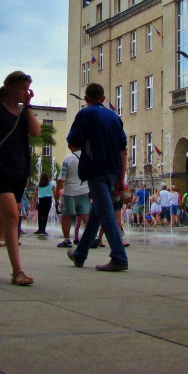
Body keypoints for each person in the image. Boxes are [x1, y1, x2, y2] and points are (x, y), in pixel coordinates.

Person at [0, 71, 40, 286]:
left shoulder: (23, 113)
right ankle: (17, 272)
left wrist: (28, 106)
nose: (26, 92)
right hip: (0, 172)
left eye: (28, 89)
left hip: (19, 173)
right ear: (10, 88)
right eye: (23, 88)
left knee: (2, 222)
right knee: (12, 217)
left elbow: (36, 132)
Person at [65, 82, 128, 272]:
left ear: (86, 99)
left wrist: (89, 145)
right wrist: (121, 179)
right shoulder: (115, 117)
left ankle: (119, 257)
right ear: (103, 98)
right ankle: (80, 254)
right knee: (97, 212)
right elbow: (123, 151)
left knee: (105, 212)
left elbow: (72, 143)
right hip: (113, 171)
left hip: (96, 170)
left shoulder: (85, 114)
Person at [55, 150, 89, 248]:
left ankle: (67, 239)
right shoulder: (88, 157)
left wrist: (57, 191)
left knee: (66, 216)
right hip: (85, 190)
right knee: (85, 215)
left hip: (69, 192)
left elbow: (62, 177)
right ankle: (92, 236)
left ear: (71, 146)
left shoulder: (68, 158)